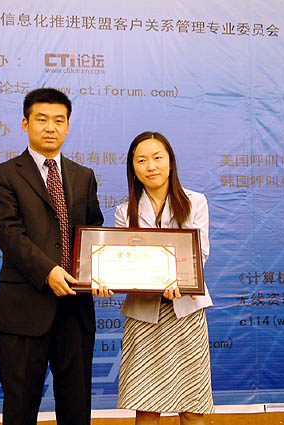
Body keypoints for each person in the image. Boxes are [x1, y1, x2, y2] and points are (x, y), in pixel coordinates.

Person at [0, 88, 104, 425]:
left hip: (75, 309)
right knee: (20, 408)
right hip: (25, 310)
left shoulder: (83, 176)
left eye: (58, 120)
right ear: (25, 124)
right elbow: (9, 235)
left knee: (76, 408)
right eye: (42, 119)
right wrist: (48, 271)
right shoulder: (3, 175)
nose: (50, 127)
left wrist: (99, 269)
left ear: (68, 126)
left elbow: (93, 230)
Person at [99, 131, 214, 425]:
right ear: (133, 169)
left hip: (186, 311)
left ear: (170, 162)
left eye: (157, 158)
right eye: (141, 160)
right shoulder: (124, 212)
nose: (151, 166)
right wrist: (106, 278)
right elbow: (124, 263)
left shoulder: (196, 202)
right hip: (144, 315)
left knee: (192, 406)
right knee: (147, 406)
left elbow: (200, 253)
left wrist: (180, 279)